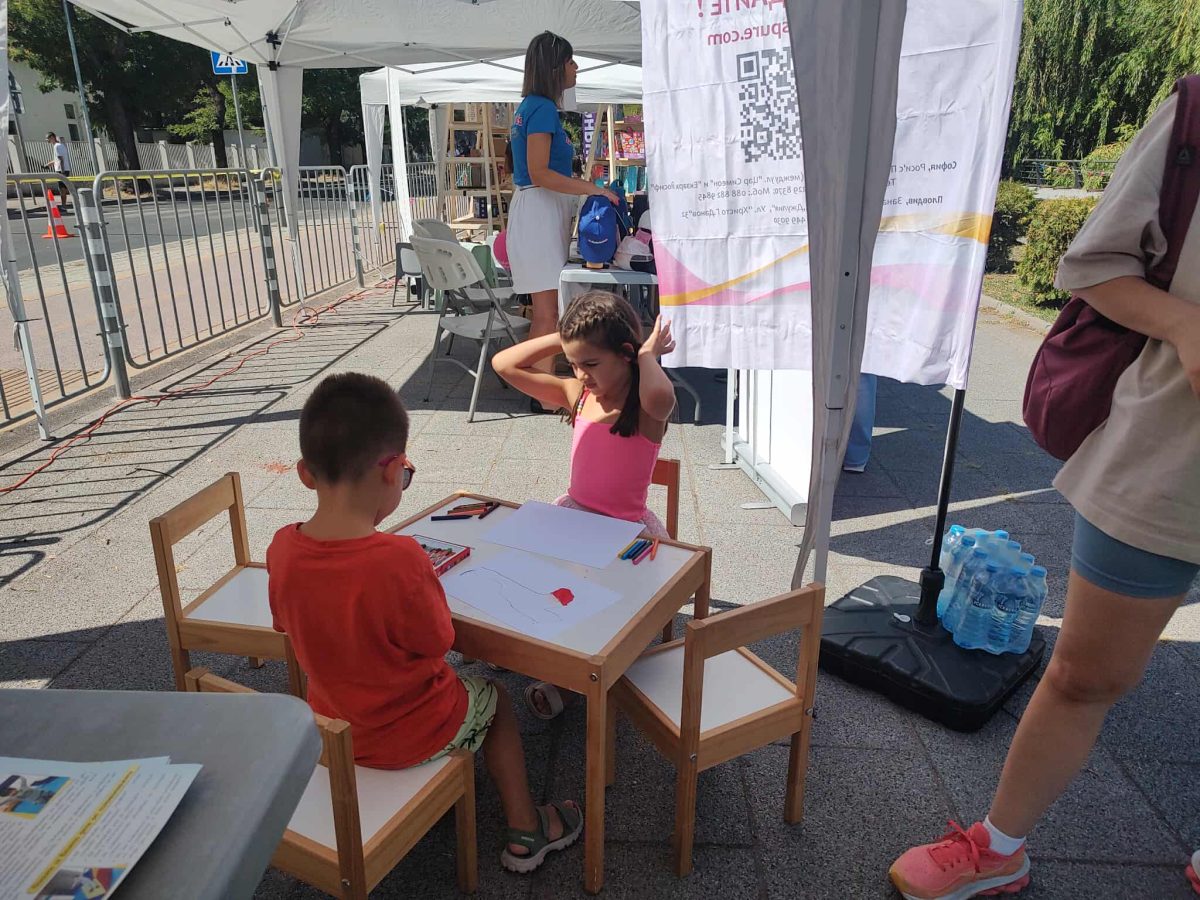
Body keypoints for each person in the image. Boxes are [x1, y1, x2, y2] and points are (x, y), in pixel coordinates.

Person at [889, 89, 1200, 899]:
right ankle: (999, 847)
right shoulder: (1194, 116)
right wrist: (1185, 325)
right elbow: (1093, 266)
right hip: (1169, 458)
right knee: (1083, 674)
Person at [267, 373, 582, 873]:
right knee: (496, 697)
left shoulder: (283, 548)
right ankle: (527, 829)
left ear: (306, 473)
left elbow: (287, 623)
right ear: (393, 471)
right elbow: (440, 641)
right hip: (410, 731)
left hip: (334, 728)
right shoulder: (399, 558)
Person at [492, 291, 676, 717]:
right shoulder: (577, 393)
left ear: (625, 354)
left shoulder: (644, 407)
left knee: (601, 612)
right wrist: (565, 337)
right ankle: (534, 648)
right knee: (535, 581)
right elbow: (504, 364)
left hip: (622, 530)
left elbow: (662, 398)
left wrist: (647, 355)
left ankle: (570, 683)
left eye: (590, 363)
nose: (580, 373)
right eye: (574, 363)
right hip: (574, 518)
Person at [507, 31, 619, 407]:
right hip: (538, 211)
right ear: (554, 67)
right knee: (546, 312)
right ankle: (541, 394)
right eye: (570, 61)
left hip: (538, 210)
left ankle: (541, 388)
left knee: (548, 309)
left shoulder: (531, 107)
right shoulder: (540, 108)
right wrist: (591, 189)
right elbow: (539, 172)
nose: (576, 67)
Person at [43, 132, 71, 210]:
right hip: (63, 169)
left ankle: (63, 206)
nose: (47, 141)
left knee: (62, 189)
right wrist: (48, 165)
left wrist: (62, 172)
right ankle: (63, 205)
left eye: (48, 139)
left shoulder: (57, 146)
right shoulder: (60, 146)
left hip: (61, 170)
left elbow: (61, 159)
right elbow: (57, 159)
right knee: (63, 188)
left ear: (52, 137)